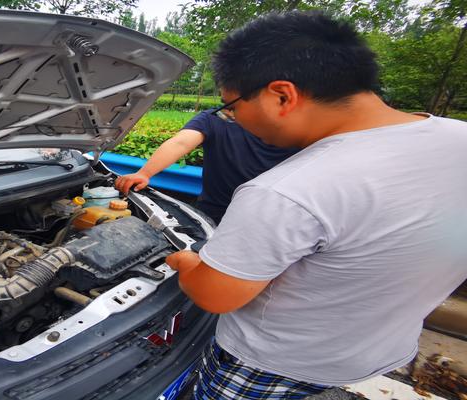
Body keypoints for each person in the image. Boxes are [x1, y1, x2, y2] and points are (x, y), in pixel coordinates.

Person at [164, 11, 467, 400]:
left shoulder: (287, 191)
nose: (231, 118)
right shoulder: (459, 138)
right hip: (380, 348)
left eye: (232, 106)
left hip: (272, 365)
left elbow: (215, 295)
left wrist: (185, 261)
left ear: (281, 95)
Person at [114, 106, 297, 224]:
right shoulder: (215, 117)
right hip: (212, 213)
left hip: (271, 219)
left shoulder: (302, 130)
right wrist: (145, 173)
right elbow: (181, 143)